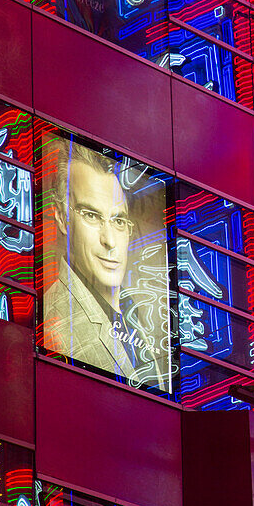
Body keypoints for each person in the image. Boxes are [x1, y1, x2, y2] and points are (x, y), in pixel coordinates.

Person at [43, 142, 157, 384]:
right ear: (63, 218)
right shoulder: (55, 324)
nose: (110, 241)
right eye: (91, 216)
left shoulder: (135, 313)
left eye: (118, 221)